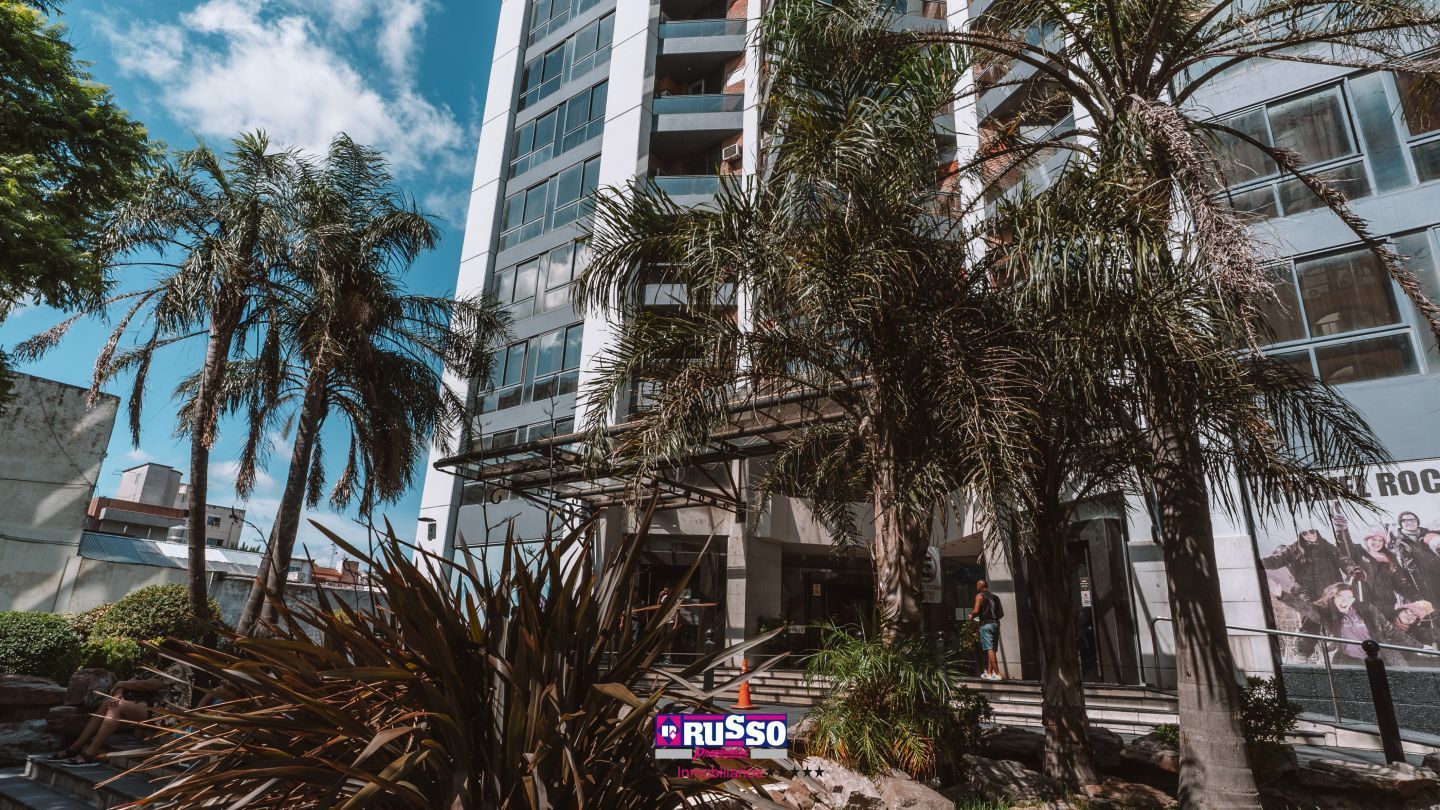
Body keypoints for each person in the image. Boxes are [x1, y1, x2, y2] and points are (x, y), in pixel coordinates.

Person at [1262, 527, 1355, 658]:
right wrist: (1255, 561)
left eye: (1312, 532)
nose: (1310, 535)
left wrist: (1353, 570)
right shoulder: (1293, 549)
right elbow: (1274, 560)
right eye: (1305, 533)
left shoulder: (1328, 547)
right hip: (1305, 590)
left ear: (1317, 531)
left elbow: (1344, 561)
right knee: (1310, 618)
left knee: (1333, 618)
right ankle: (1302, 654)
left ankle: (1334, 647)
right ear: (1300, 535)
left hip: (1329, 589)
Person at [1280, 583, 1422, 667]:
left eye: (1349, 598)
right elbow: (1306, 609)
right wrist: (1281, 595)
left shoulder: (1368, 611)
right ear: (1332, 598)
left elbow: (1392, 631)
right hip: (1348, 663)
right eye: (1340, 597)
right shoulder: (1327, 614)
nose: (1345, 601)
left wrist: (1419, 647)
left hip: (1378, 659)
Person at [47, 676, 172, 765]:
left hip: (162, 714)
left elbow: (148, 685)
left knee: (116, 707)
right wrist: (118, 693)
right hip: (145, 707)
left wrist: (121, 684)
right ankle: (75, 748)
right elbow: (129, 682)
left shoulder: (177, 666)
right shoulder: (159, 666)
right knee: (108, 703)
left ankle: (90, 753)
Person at [1346, 528, 1416, 612]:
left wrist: (1415, 598)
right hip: (1363, 603)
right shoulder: (1357, 552)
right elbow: (1345, 548)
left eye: (1380, 540)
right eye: (1373, 539)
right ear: (1366, 540)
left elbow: (1400, 583)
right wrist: (1342, 530)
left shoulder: (1389, 558)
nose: (1377, 543)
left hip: (1387, 604)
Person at [970, 579, 1004, 681]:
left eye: (977, 585)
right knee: (992, 649)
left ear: (979, 587)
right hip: (996, 624)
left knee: (989, 648)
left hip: (986, 625)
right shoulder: (996, 597)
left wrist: (971, 616)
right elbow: (1001, 614)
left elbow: (976, 610)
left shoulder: (979, 596)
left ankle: (997, 673)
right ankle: (989, 673)